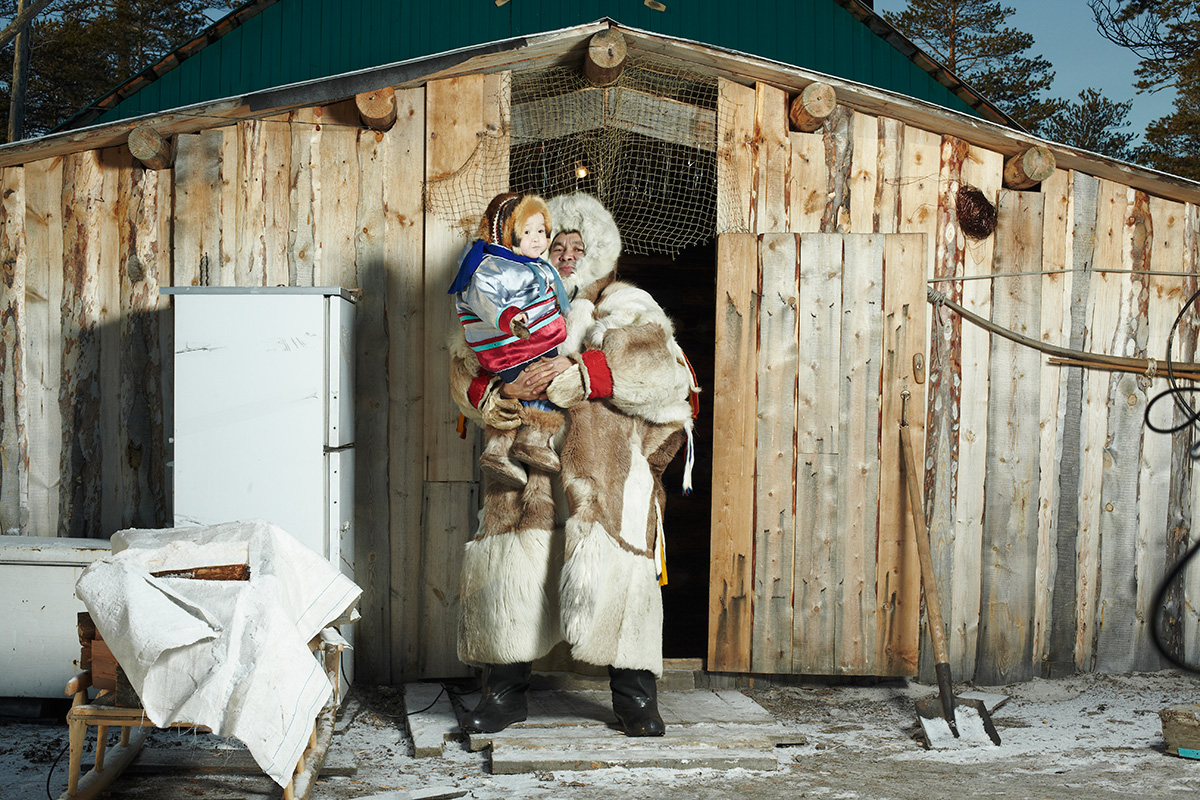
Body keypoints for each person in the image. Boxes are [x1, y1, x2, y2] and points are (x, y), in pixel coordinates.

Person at [448, 192, 697, 737]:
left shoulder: (629, 305)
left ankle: (635, 698)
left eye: (576, 246)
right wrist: (495, 388)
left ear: (600, 252)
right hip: (524, 465)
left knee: (618, 569)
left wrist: (587, 375)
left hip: (605, 468)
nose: (564, 254)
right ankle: (505, 693)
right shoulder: (504, 301)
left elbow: (666, 373)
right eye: (555, 243)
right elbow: (464, 367)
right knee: (517, 567)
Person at [447, 192, 572, 486]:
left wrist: (575, 363)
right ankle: (502, 451)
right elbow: (485, 298)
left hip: (542, 343)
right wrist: (501, 391)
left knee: (545, 386)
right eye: (527, 232)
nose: (538, 239)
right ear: (507, 234)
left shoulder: (539, 269)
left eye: (542, 232)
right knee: (529, 386)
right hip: (512, 348)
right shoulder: (492, 267)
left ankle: (534, 441)